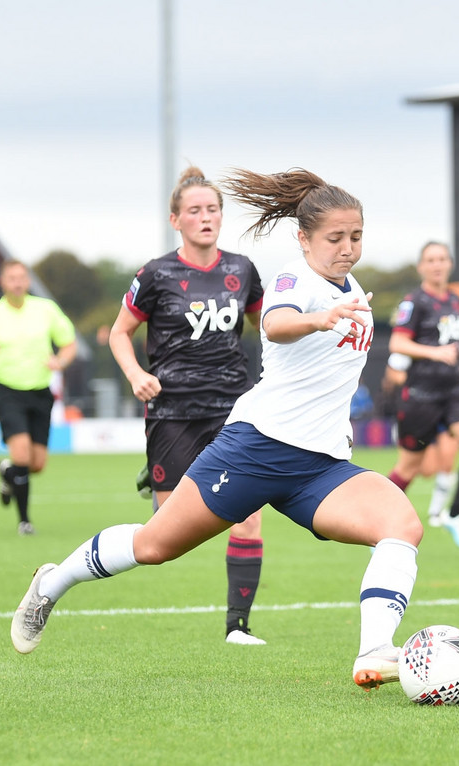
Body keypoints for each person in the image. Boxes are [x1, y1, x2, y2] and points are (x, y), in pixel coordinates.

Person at [11, 167, 423, 691]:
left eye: (356, 237)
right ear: (304, 239)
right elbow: (275, 322)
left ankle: (374, 653)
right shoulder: (297, 281)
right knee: (154, 545)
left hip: (318, 467)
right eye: (334, 238)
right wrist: (318, 319)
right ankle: (52, 582)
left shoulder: (351, 286)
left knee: (402, 526)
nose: (346, 248)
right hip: (254, 451)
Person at [107, 166, 268, 646]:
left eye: (213, 209)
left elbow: (269, 327)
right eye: (194, 211)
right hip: (172, 410)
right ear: (175, 219)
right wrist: (137, 374)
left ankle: (237, 626)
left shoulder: (242, 270)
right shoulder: (155, 274)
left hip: (233, 408)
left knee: (248, 513)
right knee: (165, 532)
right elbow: (119, 333)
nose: (205, 217)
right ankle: (154, 476)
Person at [386, 242, 459, 551]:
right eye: (430, 260)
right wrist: (435, 353)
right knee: (409, 468)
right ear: (421, 266)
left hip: (454, 393)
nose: (437, 264)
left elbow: (453, 341)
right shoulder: (414, 302)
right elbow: (397, 343)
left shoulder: (454, 299)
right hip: (421, 396)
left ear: (450, 263)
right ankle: (376, 519)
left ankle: (453, 515)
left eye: (442, 259)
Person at [0, 260, 77, 536]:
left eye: (21, 277)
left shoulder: (45, 310)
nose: (17, 282)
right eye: (11, 278)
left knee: (35, 464)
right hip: (8, 391)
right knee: (21, 453)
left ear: (27, 281)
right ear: (2, 282)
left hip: (40, 392)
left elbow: (69, 342)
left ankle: (7, 473)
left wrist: (61, 361)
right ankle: (24, 521)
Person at [385, 352, 459, 528]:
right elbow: (393, 372)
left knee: (448, 459)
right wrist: (420, 385)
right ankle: (382, 506)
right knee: (424, 470)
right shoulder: (412, 341)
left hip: (447, 407)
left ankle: (436, 513)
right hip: (420, 408)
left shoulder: (452, 339)